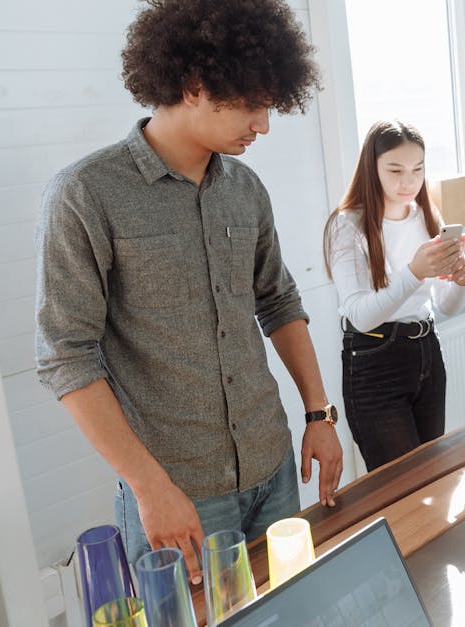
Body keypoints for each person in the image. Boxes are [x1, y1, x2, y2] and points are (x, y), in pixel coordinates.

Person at [34, 0, 343, 583]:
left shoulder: (245, 187)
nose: (264, 125)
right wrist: (150, 489)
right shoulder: (85, 194)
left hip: (271, 466)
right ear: (197, 84)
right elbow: (66, 358)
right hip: (177, 490)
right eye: (252, 106)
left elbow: (278, 301)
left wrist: (319, 414)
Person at [323, 121, 465, 471]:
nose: (408, 182)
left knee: (432, 476)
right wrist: (414, 272)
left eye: (417, 170)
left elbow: (446, 306)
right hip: (375, 359)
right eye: (395, 170)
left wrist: (461, 281)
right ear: (371, 169)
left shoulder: (426, 216)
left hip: (426, 352)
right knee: (402, 486)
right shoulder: (347, 225)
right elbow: (360, 316)